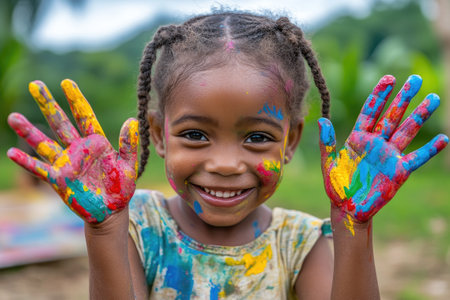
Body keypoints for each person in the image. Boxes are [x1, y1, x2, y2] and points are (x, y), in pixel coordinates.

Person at [6, 11, 449, 300]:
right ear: (158, 136)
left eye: (256, 138)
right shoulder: (139, 227)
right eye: (196, 134)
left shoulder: (299, 244)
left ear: (291, 141)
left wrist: (355, 226)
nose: (224, 163)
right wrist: (103, 230)